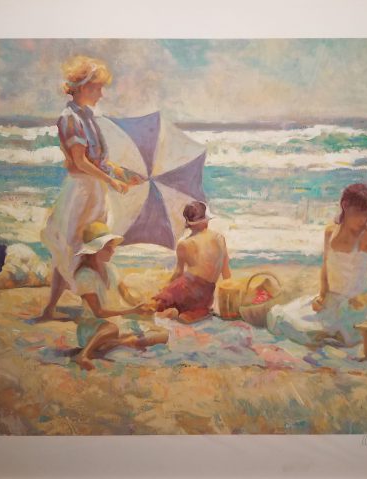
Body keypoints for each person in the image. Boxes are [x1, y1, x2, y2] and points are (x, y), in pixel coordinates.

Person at [40, 55, 141, 320]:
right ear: (83, 88)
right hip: (80, 193)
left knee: (92, 246)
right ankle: (51, 308)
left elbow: (99, 160)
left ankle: (87, 302)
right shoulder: (69, 118)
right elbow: (80, 161)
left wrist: (123, 173)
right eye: (97, 87)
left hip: (94, 191)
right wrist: (110, 181)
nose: (102, 93)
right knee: (70, 249)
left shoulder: (87, 117)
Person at [267, 183, 367, 347]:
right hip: (331, 301)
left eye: (366, 214)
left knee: (339, 335)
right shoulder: (330, 232)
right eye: (358, 213)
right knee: (280, 317)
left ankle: (336, 332)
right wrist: (321, 296)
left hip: (354, 306)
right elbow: (326, 266)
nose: (362, 219)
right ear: (345, 206)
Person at [67, 222, 168, 370]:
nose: (113, 252)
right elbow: (99, 312)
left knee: (163, 334)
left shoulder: (112, 269)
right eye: (108, 248)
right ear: (96, 250)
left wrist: (142, 304)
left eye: (112, 247)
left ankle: (119, 343)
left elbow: (126, 294)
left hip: (115, 322)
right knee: (112, 328)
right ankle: (83, 354)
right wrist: (132, 311)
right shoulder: (85, 275)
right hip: (94, 328)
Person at [151, 201, 231, 323]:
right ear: (206, 219)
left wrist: (164, 288)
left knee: (157, 302)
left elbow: (178, 273)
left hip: (187, 287)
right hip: (206, 295)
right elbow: (226, 273)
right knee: (192, 306)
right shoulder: (220, 238)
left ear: (189, 223)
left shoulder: (185, 243)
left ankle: (172, 311)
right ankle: (189, 312)